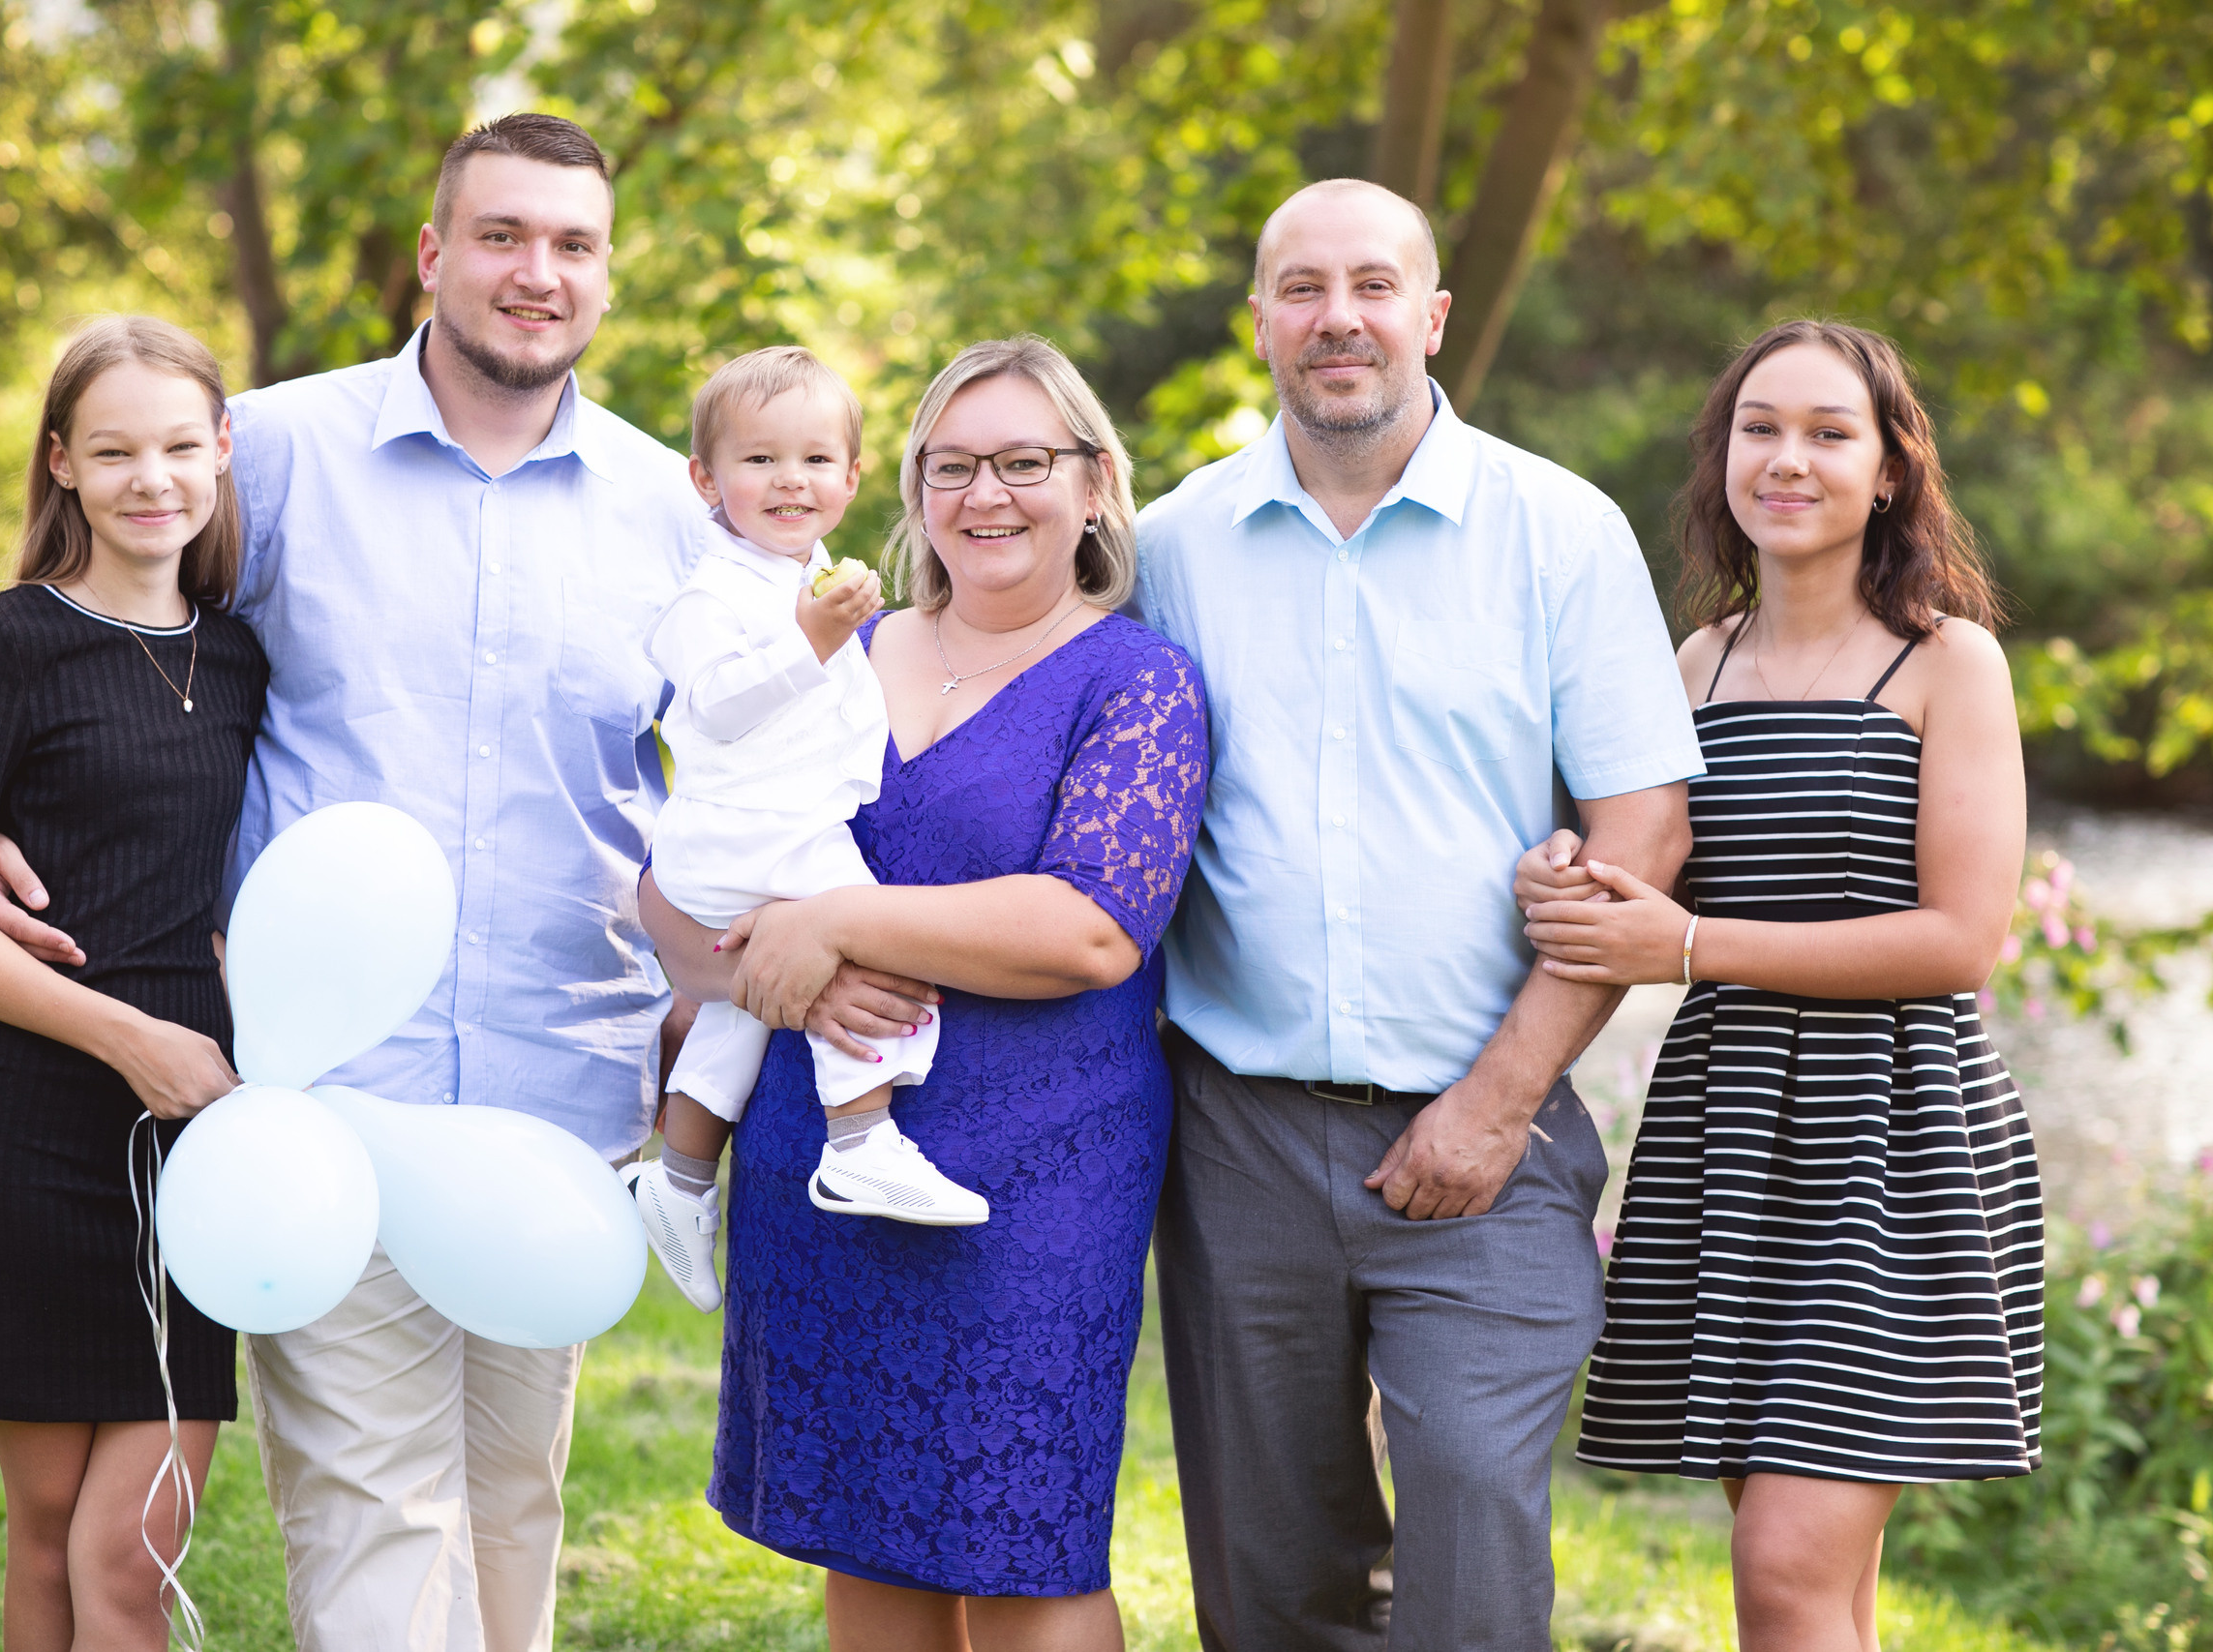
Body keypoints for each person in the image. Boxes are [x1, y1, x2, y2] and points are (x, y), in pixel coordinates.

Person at [0, 115, 713, 1652]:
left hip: (554, 1097)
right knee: (377, 1516)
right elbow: (103, 617)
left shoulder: (669, 510)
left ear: (606, 274)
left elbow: (745, 775)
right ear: (434, 255)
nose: (536, 272)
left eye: (572, 244)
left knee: (512, 1512)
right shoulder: (285, 449)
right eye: (501, 235)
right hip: (319, 1088)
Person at [1129, 176, 1706, 1650]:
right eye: (1303, 288)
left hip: (1490, 1121)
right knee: (1271, 1560)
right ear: (1257, 320)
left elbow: (1645, 826)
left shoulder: (1558, 531)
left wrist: (1500, 1100)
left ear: (1431, 314)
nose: (1340, 318)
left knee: (1467, 1497)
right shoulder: (1175, 543)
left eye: (1374, 285)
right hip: (1237, 1128)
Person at [641, 334, 1209, 1650]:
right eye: (952, 465)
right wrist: (764, 974)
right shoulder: (827, 648)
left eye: (1023, 460)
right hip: (818, 1150)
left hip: (1036, 1158)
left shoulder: (1138, 679)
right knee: (868, 1536)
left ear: (1096, 483)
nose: (986, 495)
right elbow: (681, 869)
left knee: (1024, 1542)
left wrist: (834, 920)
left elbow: (1089, 929)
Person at [1536, 319, 2044, 1650]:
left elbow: (1958, 940)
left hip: (1895, 1135)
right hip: (1733, 1133)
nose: (1790, 458)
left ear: (1888, 471)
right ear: (1724, 458)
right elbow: (1655, 883)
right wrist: (1568, 872)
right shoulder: (1693, 664)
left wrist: (1692, 949)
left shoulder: (1948, 662)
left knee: (1786, 1562)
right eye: (1762, 427)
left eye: (1830, 432)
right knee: (1810, 1579)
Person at [0, 315, 265, 1652]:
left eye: (177, 443)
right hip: (34, 1125)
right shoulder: (7, 639)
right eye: (112, 449)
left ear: (223, 451)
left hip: (199, 1140)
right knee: (47, 1532)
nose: (149, 476)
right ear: (61, 464)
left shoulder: (242, 656)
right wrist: (131, 1038)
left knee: (131, 1548)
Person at [627, 345, 986, 1317]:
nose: (792, 480)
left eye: (817, 460)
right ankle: (861, 1136)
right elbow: (716, 706)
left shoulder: (813, 575)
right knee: (868, 936)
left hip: (769, 828)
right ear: (705, 479)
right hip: (746, 833)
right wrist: (814, 640)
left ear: (853, 477)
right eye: (759, 461)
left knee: (749, 1004)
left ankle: (682, 1175)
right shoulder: (714, 595)